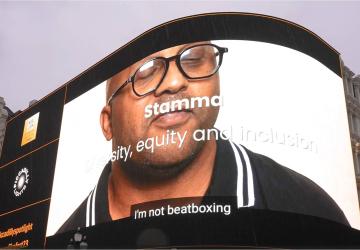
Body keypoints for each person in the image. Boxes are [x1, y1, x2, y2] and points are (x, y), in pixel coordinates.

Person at [58, 42, 348, 233]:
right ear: (108, 123)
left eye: (194, 60)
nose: (174, 82)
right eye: (145, 73)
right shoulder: (63, 237)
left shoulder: (308, 208)